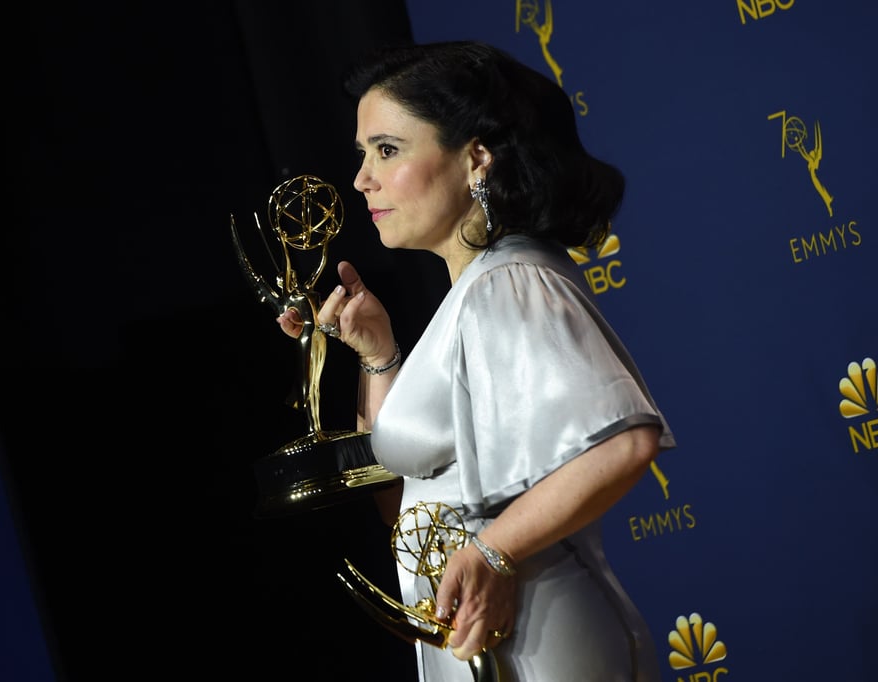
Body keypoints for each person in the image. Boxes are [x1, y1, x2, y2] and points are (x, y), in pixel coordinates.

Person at [276, 40, 676, 682]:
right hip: (489, 646)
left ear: (476, 159)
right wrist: (378, 357)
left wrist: (494, 554)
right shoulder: (474, 293)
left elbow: (626, 441)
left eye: (387, 150)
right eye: (362, 154)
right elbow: (409, 508)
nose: (361, 180)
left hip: (540, 647)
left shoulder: (507, 282)